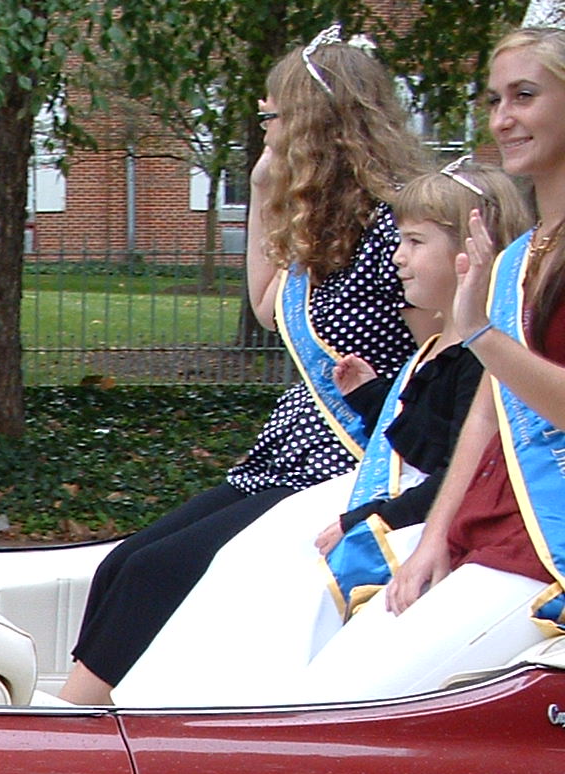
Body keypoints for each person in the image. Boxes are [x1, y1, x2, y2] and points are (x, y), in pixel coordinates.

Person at [58, 28, 428, 703]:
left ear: (314, 123)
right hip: (292, 448)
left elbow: (443, 354)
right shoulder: (327, 219)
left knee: (160, 573)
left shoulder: (397, 230)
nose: (262, 127)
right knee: (123, 563)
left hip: (354, 461)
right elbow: (265, 306)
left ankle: (66, 728)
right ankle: (82, 720)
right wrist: (262, 185)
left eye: (271, 117)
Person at [113, 161, 532, 706]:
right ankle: (169, 701)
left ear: (471, 252)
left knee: (294, 585)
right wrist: (370, 395)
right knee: (244, 561)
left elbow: (456, 469)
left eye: (413, 242)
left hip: (413, 523)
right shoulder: (437, 347)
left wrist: (368, 516)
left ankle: (246, 710)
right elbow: (420, 439)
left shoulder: (476, 357)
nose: (397, 256)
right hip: (398, 506)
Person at [293, 26, 565, 702]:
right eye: (495, 99)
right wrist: (434, 534)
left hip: (545, 545)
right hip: (484, 527)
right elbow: (490, 407)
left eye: (525, 96)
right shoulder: (523, 253)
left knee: (351, 707)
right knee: (324, 691)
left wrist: (479, 335)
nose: (503, 118)